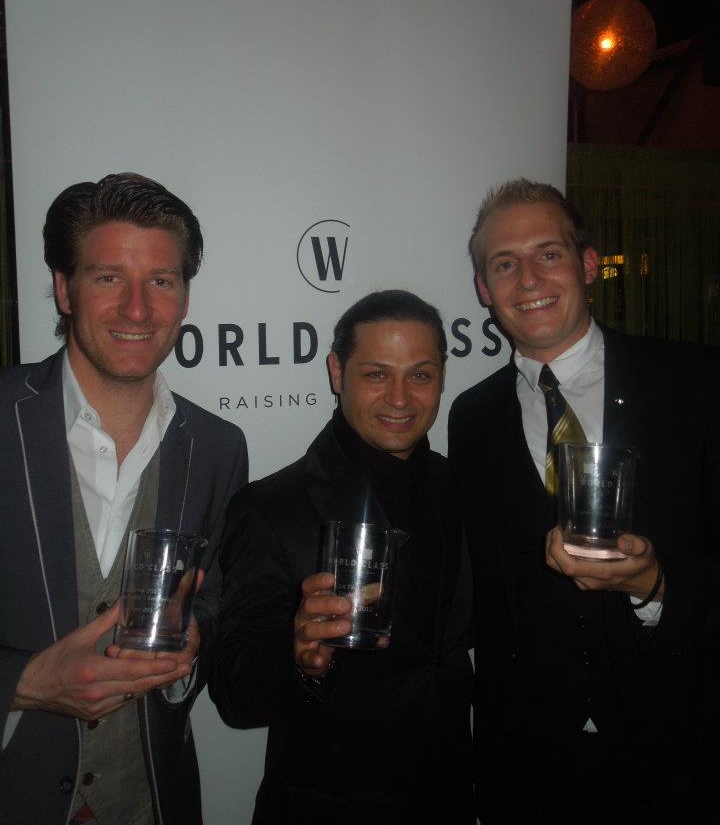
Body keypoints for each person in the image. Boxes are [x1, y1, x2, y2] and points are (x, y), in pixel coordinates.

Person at [449, 179, 720, 824]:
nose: (529, 279)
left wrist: (656, 587)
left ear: (589, 265)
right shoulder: (471, 416)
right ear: (484, 289)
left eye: (549, 253)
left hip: (675, 757)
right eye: (504, 264)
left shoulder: (698, 384)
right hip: (528, 770)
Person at [0, 173, 248, 825]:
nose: (137, 310)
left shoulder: (218, 447)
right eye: (109, 277)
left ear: (184, 297)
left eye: (160, 281)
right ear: (64, 288)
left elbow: (213, 598)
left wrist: (196, 638)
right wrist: (26, 684)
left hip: (153, 803)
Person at [210, 290, 474, 825]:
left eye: (420, 375)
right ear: (337, 372)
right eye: (376, 374)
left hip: (450, 799)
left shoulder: (463, 486)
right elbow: (234, 690)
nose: (399, 398)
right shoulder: (271, 506)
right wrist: (297, 656)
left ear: (442, 377)